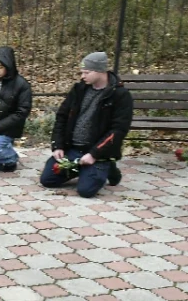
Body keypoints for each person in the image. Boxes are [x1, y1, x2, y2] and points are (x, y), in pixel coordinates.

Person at [40, 52, 133, 197]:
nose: (82, 76)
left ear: (100, 71)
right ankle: (81, 168)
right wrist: (57, 145)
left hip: (97, 152)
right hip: (73, 149)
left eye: (86, 72)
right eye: (82, 72)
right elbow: (62, 117)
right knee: (48, 180)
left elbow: (118, 130)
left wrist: (94, 154)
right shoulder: (79, 89)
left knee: (86, 191)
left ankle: (107, 167)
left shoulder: (119, 95)